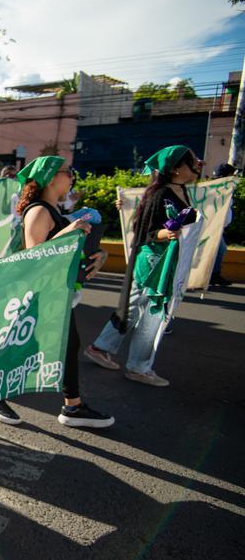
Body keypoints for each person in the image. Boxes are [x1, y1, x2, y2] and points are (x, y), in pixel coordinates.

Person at [0, 155, 113, 428]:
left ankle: (73, 406)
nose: (72, 176)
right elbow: (35, 257)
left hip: (56, 292)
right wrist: (70, 232)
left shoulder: (55, 211)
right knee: (17, 345)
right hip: (37, 295)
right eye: (68, 171)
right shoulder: (38, 211)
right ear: (52, 177)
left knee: (68, 344)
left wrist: (100, 253)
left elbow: (72, 248)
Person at [85, 145, 202, 387]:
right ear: (177, 169)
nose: (198, 163)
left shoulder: (179, 191)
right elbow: (145, 231)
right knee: (152, 313)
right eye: (191, 160)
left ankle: (100, 348)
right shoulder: (161, 194)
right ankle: (138, 367)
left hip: (163, 261)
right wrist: (164, 234)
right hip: (154, 262)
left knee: (134, 308)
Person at [209, 163, 235, 287]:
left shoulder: (225, 188)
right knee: (219, 250)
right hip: (213, 226)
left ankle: (214, 275)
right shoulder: (217, 189)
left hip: (219, 226)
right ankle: (213, 275)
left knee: (220, 250)